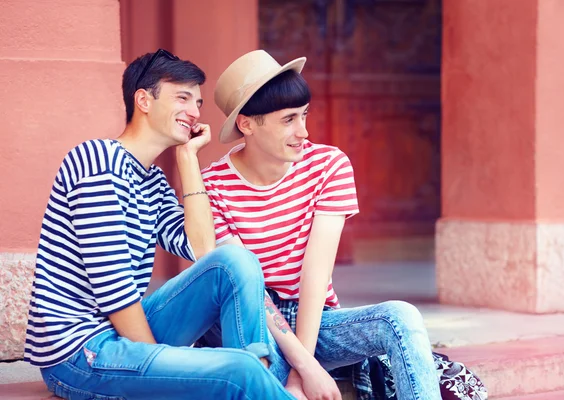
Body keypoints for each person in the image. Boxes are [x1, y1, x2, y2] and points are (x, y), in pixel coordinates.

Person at [23, 49, 296, 400]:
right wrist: (157, 366)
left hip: (124, 336)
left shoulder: (152, 182)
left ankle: (263, 379)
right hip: (80, 354)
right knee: (237, 369)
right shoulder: (96, 161)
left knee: (236, 259)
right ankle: (263, 383)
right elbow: (113, 286)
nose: (195, 112)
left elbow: (202, 250)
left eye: (197, 102)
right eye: (182, 97)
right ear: (144, 100)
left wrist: (188, 158)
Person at [200, 49, 442, 400]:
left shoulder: (328, 165)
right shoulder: (213, 185)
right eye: (288, 120)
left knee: (401, 317)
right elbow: (248, 289)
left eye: (304, 115)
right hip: (248, 321)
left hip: (316, 319)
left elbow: (315, 276)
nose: (303, 131)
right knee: (257, 350)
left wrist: (304, 365)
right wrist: (307, 369)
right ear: (247, 124)